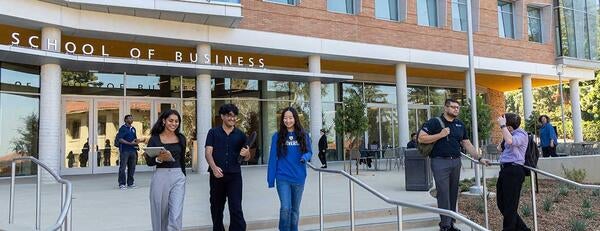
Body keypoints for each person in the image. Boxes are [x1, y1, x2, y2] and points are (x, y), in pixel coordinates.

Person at [418, 99, 489, 231]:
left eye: (458, 107)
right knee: (443, 193)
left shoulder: (460, 125)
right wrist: (440, 134)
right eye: (453, 107)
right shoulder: (434, 122)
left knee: (452, 193)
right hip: (439, 161)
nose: (456, 109)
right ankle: (445, 226)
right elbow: (421, 138)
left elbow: (467, 144)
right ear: (446, 108)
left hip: (456, 162)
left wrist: (479, 158)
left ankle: (450, 223)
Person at [205, 104, 250, 231]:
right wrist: (213, 168)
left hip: (234, 176)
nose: (232, 118)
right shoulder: (213, 132)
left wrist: (247, 154)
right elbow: (208, 152)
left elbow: (246, 157)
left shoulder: (241, 135)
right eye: (229, 115)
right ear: (222, 116)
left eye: (234, 116)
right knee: (216, 208)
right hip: (217, 175)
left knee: (236, 207)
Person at [267, 107, 313, 231]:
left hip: (299, 177)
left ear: (295, 119)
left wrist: (305, 157)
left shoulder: (303, 135)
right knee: (285, 208)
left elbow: (310, 152)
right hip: (283, 178)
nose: (288, 120)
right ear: (282, 120)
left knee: (295, 210)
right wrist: (270, 179)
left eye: (290, 118)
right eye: (285, 118)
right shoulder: (277, 137)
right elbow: (272, 159)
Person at [144, 109, 187, 231]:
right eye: (171, 121)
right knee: (160, 214)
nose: (174, 123)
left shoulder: (181, 138)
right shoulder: (155, 139)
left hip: (178, 176)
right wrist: (159, 158)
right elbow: (149, 162)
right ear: (164, 121)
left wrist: (183, 176)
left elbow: (182, 160)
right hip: (161, 177)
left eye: (176, 121)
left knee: (176, 213)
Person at [496, 113, 531, 231]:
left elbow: (511, 141)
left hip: (514, 170)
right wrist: (505, 133)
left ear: (509, 126)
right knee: (502, 203)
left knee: (510, 205)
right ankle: (523, 229)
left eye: (505, 125)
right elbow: (499, 148)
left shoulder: (521, 134)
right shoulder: (508, 133)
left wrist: (502, 127)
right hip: (505, 170)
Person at [116, 114, 139, 190]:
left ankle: (130, 183)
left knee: (132, 167)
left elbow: (135, 139)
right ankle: (122, 183)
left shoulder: (133, 129)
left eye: (132, 118)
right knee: (123, 168)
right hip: (125, 151)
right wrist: (129, 143)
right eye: (129, 118)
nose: (131, 119)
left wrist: (136, 144)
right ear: (125, 120)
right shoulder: (123, 128)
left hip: (133, 150)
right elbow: (120, 139)